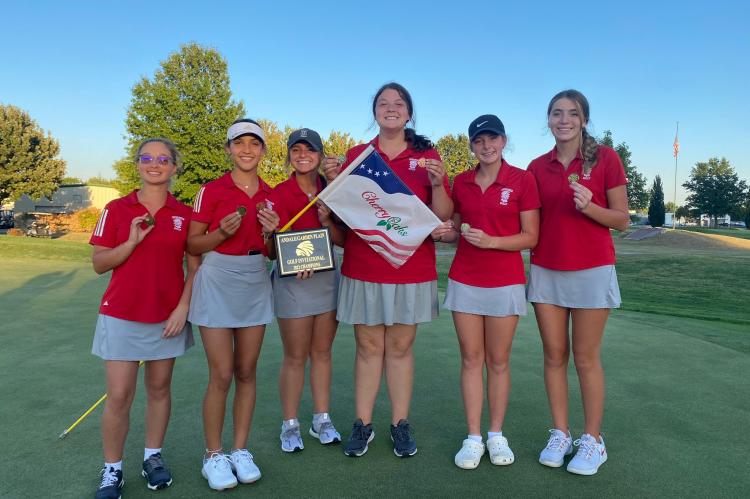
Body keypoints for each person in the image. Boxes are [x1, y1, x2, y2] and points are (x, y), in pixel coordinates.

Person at [323, 82, 453, 458]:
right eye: (383, 103)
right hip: (364, 264)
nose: (391, 109)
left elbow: (442, 214)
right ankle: (362, 424)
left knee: (399, 348)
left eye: (398, 104)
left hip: (411, 267)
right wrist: (333, 179)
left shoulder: (427, 154)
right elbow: (343, 209)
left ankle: (399, 423)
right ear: (375, 112)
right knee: (367, 347)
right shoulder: (357, 155)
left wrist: (437, 182)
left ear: (409, 113)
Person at [526, 90, 629, 476]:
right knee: (554, 355)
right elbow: (527, 221)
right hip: (547, 270)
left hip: (591, 269)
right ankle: (561, 433)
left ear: (584, 119)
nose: (564, 119)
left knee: (585, 357)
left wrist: (590, 207)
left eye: (572, 113)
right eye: (557, 113)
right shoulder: (537, 166)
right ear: (548, 119)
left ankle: (593, 440)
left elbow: (621, 220)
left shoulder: (606, 158)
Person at [89, 138, 197, 498]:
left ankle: (152, 457)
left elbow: (193, 265)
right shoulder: (118, 209)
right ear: (137, 164)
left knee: (159, 389)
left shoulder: (183, 214)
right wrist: (131, 242)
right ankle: (112, 470)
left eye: (163, 159)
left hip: (166, 317)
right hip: (121, 314)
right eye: (147, 158)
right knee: (119, 395)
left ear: (174, 167)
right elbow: (99, 263)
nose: (155, 164)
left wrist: (183, 307)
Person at [433, 115, 540, 470]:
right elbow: (456, 228)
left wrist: (492, 242)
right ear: (472, 145)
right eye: (479, 141)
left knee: (498, 361)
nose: (486, 145)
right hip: (465, 279)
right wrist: (443, 233)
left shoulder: (522, 179)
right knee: (470, 359)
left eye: (492, 139)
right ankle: (473, 437)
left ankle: (496, 434)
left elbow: (530, 237)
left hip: (505, 281)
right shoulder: (461, 181)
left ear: (504, 141)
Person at [187, 119, 279, 491]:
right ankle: (213, 454)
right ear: (228, 149)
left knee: (246, 370)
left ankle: (240, 450)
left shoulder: (271, 196)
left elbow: (274, 255)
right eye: (238, 143)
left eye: (253, 144)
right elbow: (193, 245)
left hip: (255, 278)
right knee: (222, 373)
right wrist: (219, 234)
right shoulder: (210, 191)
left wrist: (273, 233)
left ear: (262, 151)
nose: (246, 150)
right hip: (218, 278)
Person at [265, 128, 346, 452]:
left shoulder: (333, 190)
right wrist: (272, 234)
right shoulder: (278, 193)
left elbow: (344, 240)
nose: (302, 155)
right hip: (293, 284)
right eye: (296, 150)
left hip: (326, 280)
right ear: (288, 155)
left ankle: (321, 419)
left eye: (309, 150)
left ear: (319, 154)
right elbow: (272, 252)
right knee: (296, 355)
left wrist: (327, 221)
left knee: (323, 353)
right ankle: (290, 424)